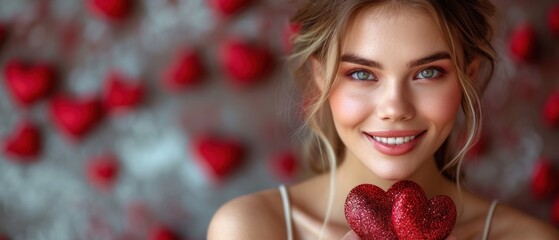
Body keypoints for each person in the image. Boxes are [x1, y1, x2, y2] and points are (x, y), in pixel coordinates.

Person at [207, 0, 559, 239]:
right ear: (320, 76)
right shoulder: (250, 228)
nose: (395, 108)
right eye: (362, 74)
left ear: (467, 75)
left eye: (428, 72)